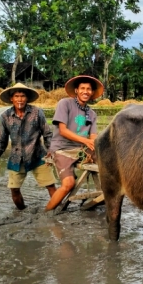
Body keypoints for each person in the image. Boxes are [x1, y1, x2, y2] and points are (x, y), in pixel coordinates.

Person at [0, 83, 57, 210]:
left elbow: (47, 134)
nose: (20, 99)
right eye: (17, 96)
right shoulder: (6, 116)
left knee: (50, 185)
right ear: (12, 98)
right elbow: (1, 139)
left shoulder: (37, 113)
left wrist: (51, 150)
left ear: (27, 98)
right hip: (17, 157)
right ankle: (22, 212)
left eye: (22, 96)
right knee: (14, 190)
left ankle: (56, 211)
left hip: (38, 155)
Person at [45, 75, 103, 211]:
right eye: (82, 88)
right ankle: (46, 213)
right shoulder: (65, 103)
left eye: (89, 89)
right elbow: (63, 131)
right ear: (76, 90)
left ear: (92, 92)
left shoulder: (92, 113)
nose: (85, 91)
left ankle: (106, 195)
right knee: (69, 184)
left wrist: (95, 143)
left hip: (82, 148)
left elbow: (93, 136)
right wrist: (86, 140)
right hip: (62, 148)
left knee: (110, 162)